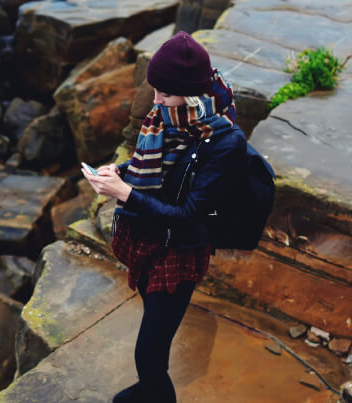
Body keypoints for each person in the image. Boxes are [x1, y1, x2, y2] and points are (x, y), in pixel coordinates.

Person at [81, 31, 247, 403]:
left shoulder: (225, 142)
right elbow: (154, 166)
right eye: (154, 90)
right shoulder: (170, 114)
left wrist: (125, 194)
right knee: (151, 346)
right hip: (146, 239)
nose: (154, 102)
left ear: (190, 94)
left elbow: (188, 214)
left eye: (164, 94)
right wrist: (121, 171)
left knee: (149, 356)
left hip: (179, 253)